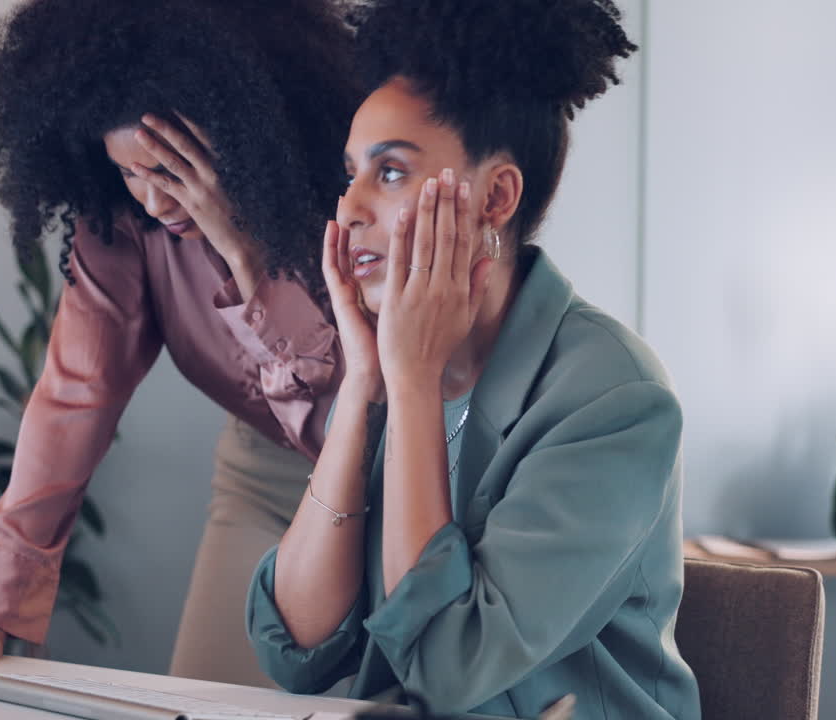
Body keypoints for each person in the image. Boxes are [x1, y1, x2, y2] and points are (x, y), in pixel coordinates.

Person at [0, 0, 362, 688]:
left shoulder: (351, 196)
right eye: (129, 173)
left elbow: (363, 412)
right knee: (204, 700)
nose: (153, 201)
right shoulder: (124, 230)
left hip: (389, 476)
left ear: (244, 128)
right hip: (262, 479)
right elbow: (73, 397)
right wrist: (0, 612)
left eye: (172, 171)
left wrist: (245, 253)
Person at [246, 0, 701, 717]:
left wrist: (413, 381)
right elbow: (296, 647)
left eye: (390, 172)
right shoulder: (390, 371)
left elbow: (448, 667)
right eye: (351, 172)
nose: (350, 207)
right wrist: (367, 379)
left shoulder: (616, 398)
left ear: (494, 196)